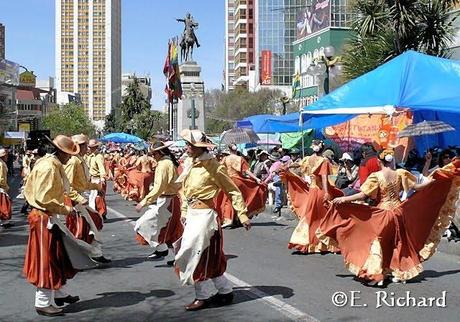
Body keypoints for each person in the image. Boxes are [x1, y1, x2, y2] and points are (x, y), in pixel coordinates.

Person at [317, 149, 460, 286]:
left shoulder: (377, 176)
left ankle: (377, 272)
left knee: (378, 242)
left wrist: (344, 200)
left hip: (383, 213)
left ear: (380, 161)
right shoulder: (401, 173)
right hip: (399, 212)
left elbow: (363, 195)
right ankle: (396, 271)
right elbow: (417, 187)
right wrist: (434, 178)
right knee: (397, 243)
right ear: (392, 161)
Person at [175, 129, 251, 311]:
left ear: (200, 148)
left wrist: (242, 214)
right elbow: (184, 191)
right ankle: (225, 292)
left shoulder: (214, 166)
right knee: (209, 257)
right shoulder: (189, 164)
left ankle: (202, 296)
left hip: (206, 216)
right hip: (193, 215)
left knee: (195, 255)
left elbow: (232, 190)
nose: (187, 148)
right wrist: (185, 212)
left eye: (190, 145)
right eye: (187, 144)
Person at [23, 135, 82, 316]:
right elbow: (44, 198)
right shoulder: (49, 167)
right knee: (45, 260)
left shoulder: (50, 164)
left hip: (47, 215)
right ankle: (42, 302)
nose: (71, 158)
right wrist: (66, 209)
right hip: (43, 216)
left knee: (56, 256)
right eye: (69, 154)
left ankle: (57, 293)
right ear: (62, 153)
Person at [286, 140, 342, 253]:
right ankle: (323, 243)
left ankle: (308, 242)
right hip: (320, 191)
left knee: (311, 216)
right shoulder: (323, 161)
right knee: (324, 217)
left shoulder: (308, 159)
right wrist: (326, 192)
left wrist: (287, 166)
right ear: (323, 148)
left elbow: (298, 164)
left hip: (312, 191)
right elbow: (324, 178)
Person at [64, 134, 110, 264]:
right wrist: (78, 198)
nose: (88, 148)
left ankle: (96, 252)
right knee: (79, 229)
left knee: (94, 223)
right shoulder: (73, 161)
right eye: (85, 145)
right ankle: (77, 256)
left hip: (78, 198)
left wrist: (97, 186)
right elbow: (67, 185)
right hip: (73, 200)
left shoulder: (80, 159)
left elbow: (83, 183)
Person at [134, 142, 183, 261]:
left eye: (154, 154)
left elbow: (159, 186)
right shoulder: (166, 163)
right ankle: (166, 251)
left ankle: (164, 251)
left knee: (147, 224)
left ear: (160, 153)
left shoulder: (164, 164)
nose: (152, 156)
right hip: (167, 200)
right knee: (169, 231)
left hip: (168, 201)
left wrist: (144, 202)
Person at [86, 139, 108, 221]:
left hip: (98, 178)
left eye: (93, 147)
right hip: (92, 178)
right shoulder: (90, 156)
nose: (91, 149)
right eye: (90, 147)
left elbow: (101, 168)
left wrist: (102, 178)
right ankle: (99, 213)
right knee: (94, 197)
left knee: (97, 197)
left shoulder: (98, 156)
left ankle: (99, 214)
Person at [0, 148, 13, 228]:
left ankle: (4, 222)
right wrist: (6, 187)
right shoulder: (1, 164)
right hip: (1, 187)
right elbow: (1, 178)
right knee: (5, 205)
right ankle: (4, 222)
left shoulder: (2, 163)